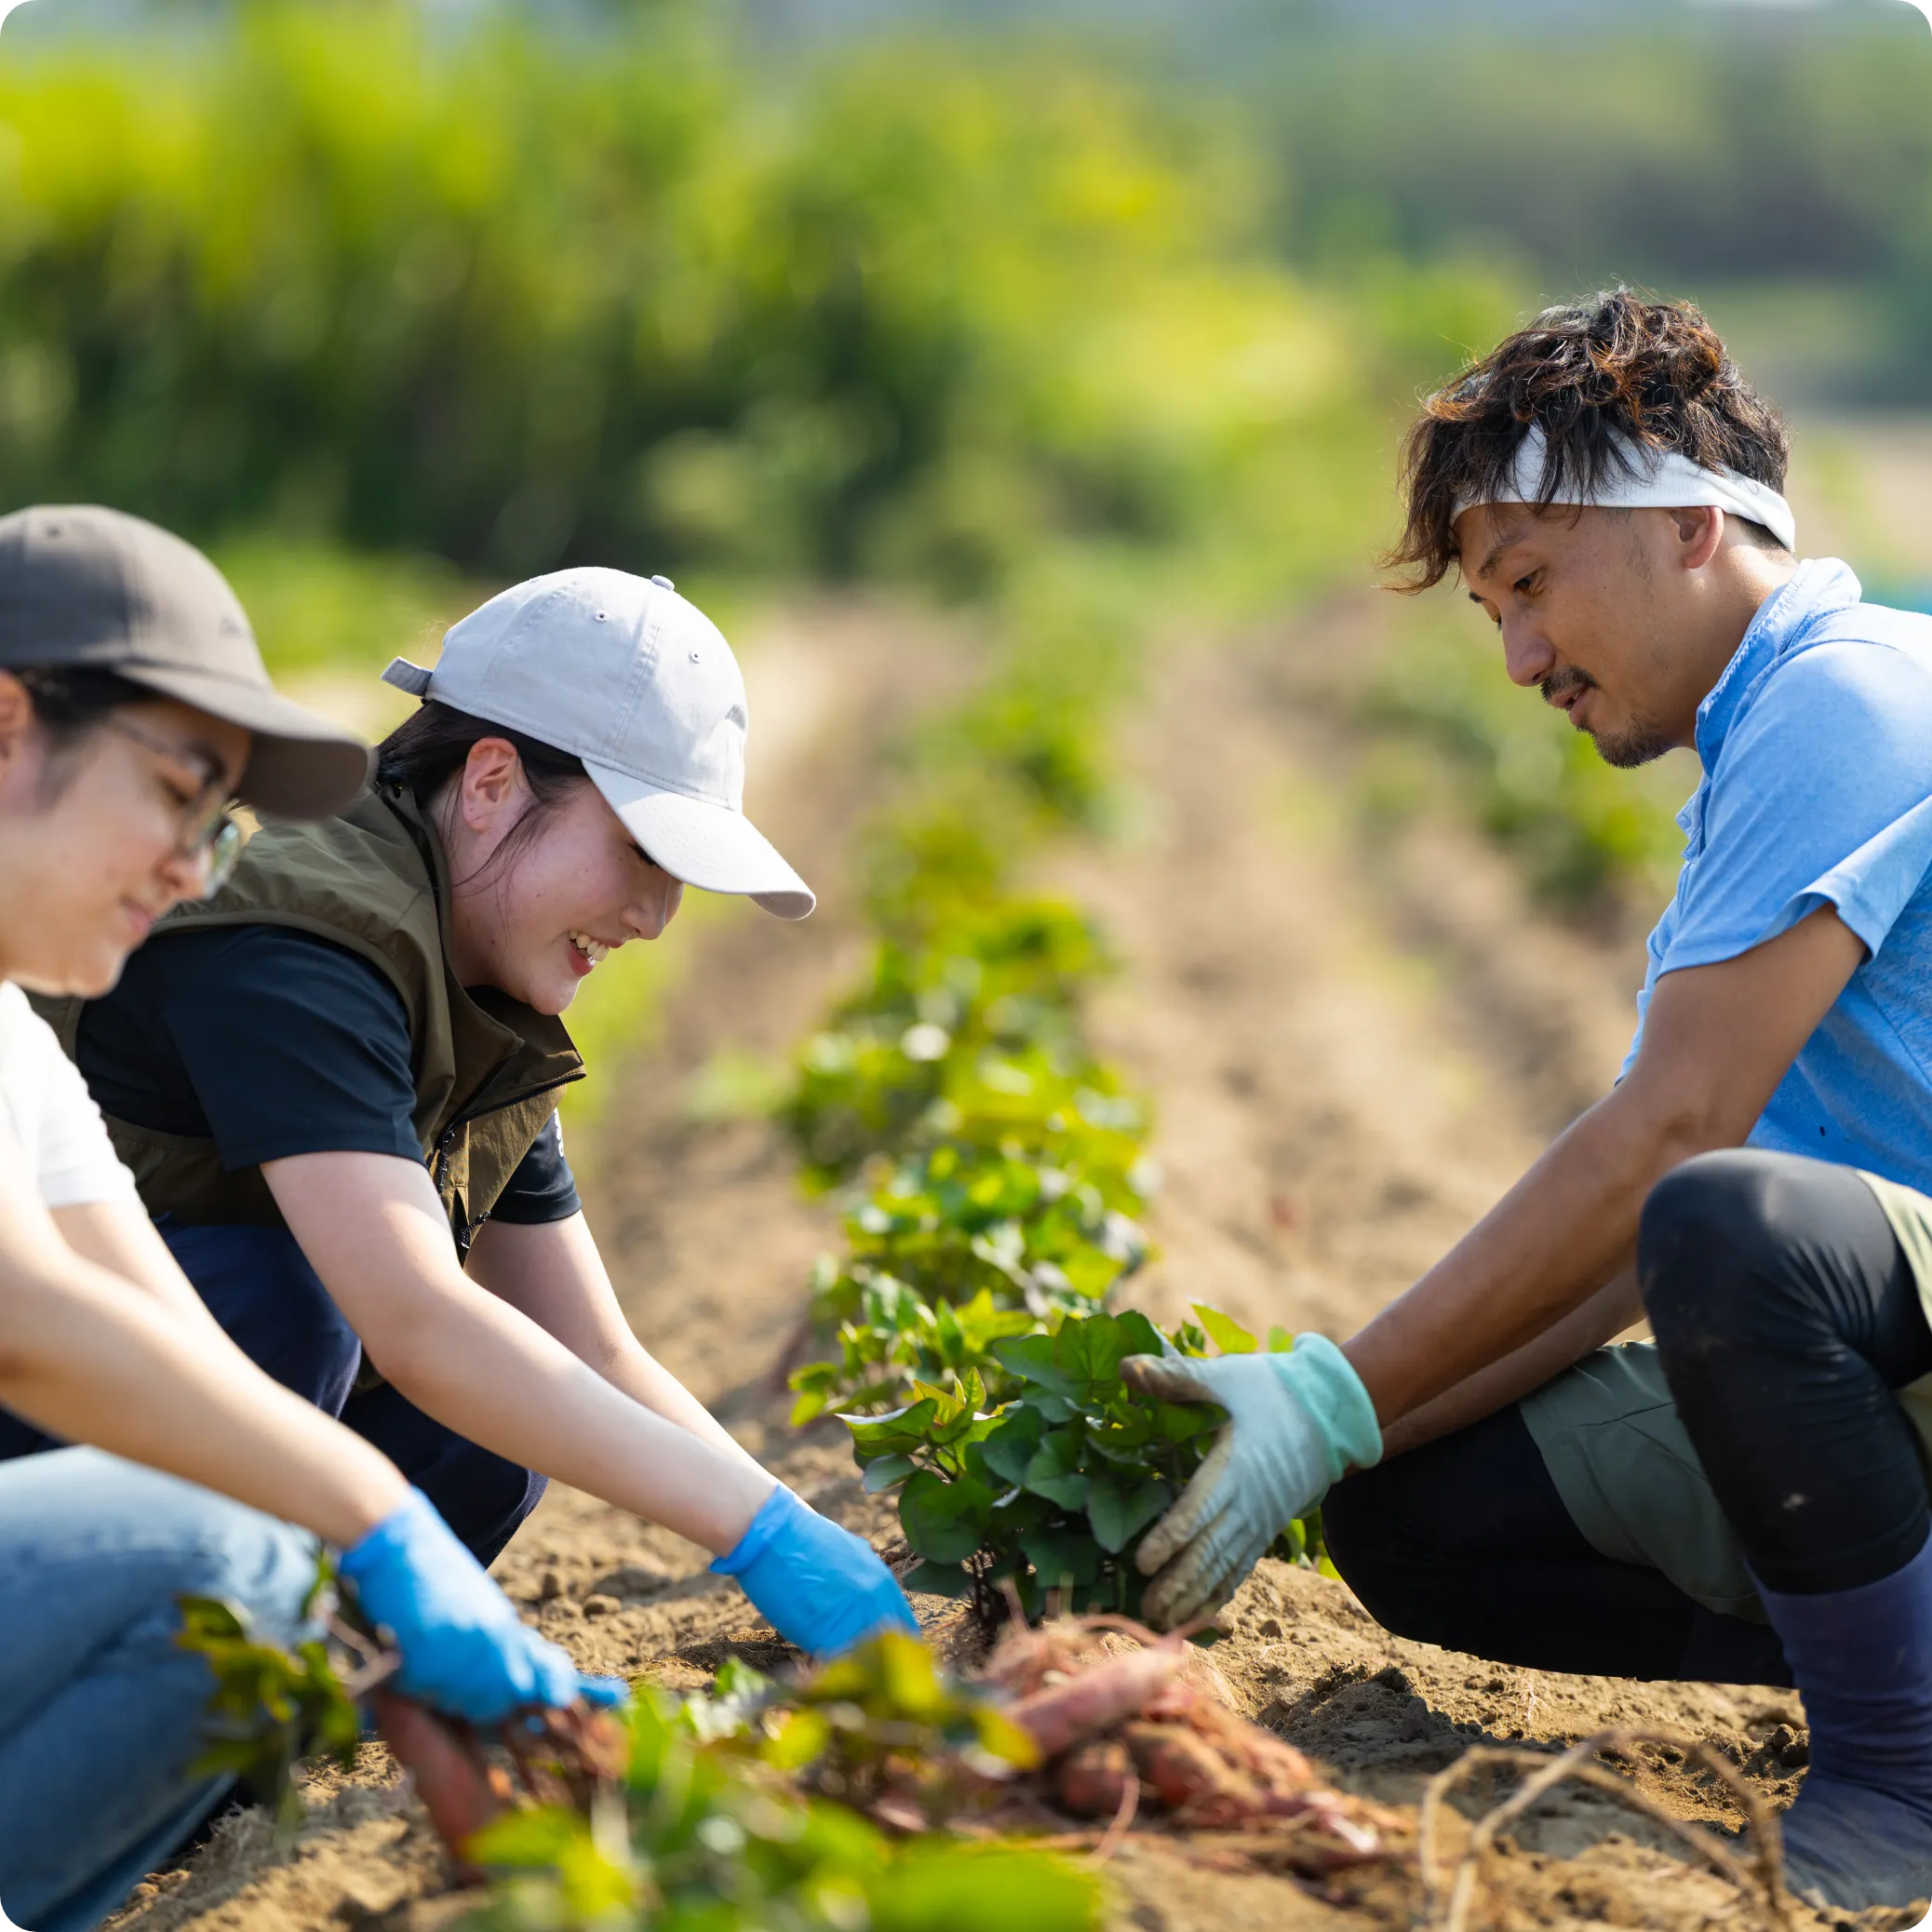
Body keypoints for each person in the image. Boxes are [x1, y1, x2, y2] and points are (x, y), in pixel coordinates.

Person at [1116, 291, 1932, 1909]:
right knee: (1420, 1517)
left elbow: (1678, 1153)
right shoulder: (1751, 762)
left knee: (1723, 1217)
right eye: (1494, 610)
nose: (1520, 658)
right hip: (1900, 1357)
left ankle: (1901, 1764)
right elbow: (1632, 1236)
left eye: (1532, 586)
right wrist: (1326, 1441)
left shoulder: (1854, 696)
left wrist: (1338, 1389)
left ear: (1693, 523)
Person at [16, 558, 917, 1663]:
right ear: (490, 784)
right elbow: (417, 1318)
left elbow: (587, 1347)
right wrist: (755, 1536)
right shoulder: (302, 948)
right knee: (296, 1307)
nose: (656, 912)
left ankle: (263, 1720)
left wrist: (797, 1531)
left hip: (153, 1410)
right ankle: (123, 1686)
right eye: (641, 851)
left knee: (491, 1443)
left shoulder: (475, 983)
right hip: (48, 1394)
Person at [0, 504, 618, 1932]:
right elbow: (31, 1322)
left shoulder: (23, 1045)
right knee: (221, 1561)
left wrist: (397, 1651)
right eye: (171, 793)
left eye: (217, 824)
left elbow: (166, 1342)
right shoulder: (308, 954)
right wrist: (383, 1529)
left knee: (271, 1579)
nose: (187, 862)